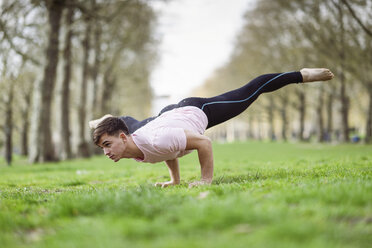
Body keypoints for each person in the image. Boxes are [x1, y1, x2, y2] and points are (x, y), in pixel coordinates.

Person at [89, 68, 334, 188]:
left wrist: (206, 180)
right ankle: (110, 119)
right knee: (134, 125)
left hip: (193, 110)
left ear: (121, 138)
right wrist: (175, 181)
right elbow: (165, 152)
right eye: (103, 147)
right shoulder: (134, 144)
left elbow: (203, 143)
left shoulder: (157, 139)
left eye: (107, 144)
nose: (106, 152)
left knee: (249, 93)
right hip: (159, 120)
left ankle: (301, 75)